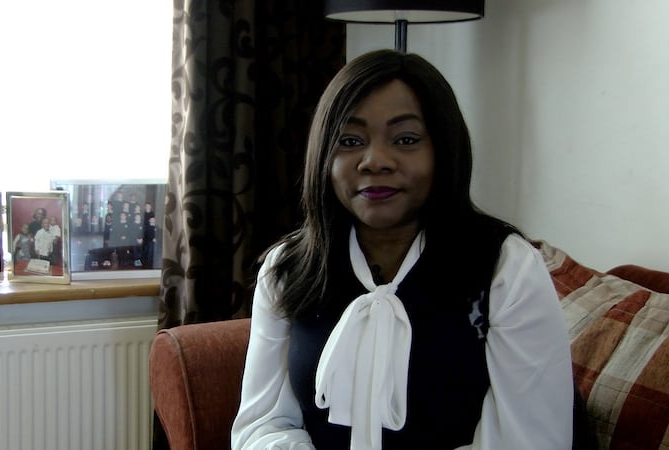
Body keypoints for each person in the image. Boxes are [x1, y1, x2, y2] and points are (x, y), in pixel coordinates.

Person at [231, 50, 574, 450]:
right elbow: (262, 425)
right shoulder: (288, 269)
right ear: (324, 155)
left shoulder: (505, 269)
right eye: (350, 140)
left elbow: (529, 440)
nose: (375, 161)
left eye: (406, 139)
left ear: (444, 150)